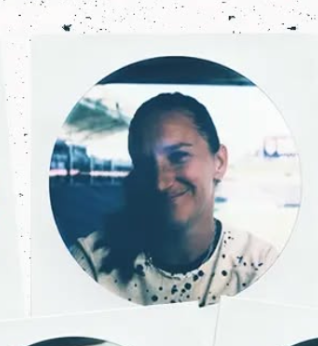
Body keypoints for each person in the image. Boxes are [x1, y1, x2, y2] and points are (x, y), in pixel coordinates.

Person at [69, 92, 278, 306]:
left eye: (178, 157)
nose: (160, 183)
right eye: (145, 164)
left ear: (219, 162)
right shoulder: (90, 264)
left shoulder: (260, 266)